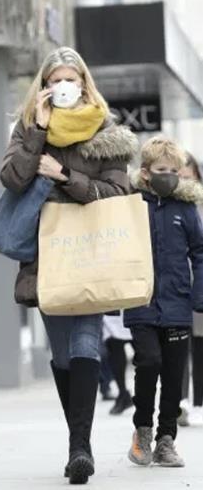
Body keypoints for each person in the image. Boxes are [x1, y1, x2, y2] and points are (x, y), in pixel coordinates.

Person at [0, 47, 137, 484]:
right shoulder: (27, 128)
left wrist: (64, 176)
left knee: (85, 344)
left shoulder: (106, 130)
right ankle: (79, 440)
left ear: (83, 84)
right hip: (45, 255)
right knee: (62, 354)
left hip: (92, 251)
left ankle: (80, 447)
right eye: (54, 80)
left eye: (70, 80)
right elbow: (12, 180)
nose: (63, 87)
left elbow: (118, 194)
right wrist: (39, 131)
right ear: (44, 87)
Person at [125, 137, 203, 469]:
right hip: (140, 302)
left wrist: (199, 293)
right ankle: (142, 430)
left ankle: (166, 440)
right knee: (148, 362)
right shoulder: (131, 204)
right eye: (161, 170)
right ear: (145, 172)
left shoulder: (186, 209)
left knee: (173, 373)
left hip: (177, 304)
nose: (169, 176)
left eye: (174, 170)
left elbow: (200, 252)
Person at [178, 152, 203, 426]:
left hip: (200, 280)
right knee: (178, 341)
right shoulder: (169, 204)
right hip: (178, 282)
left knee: (200, 344)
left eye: (189, 175)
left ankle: (199, 403)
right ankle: (182, 400)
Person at [103, 311, 133, 415]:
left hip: (136, 309)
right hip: (112, 311)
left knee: (148, 355)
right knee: (114, 346)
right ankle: (123, 393)